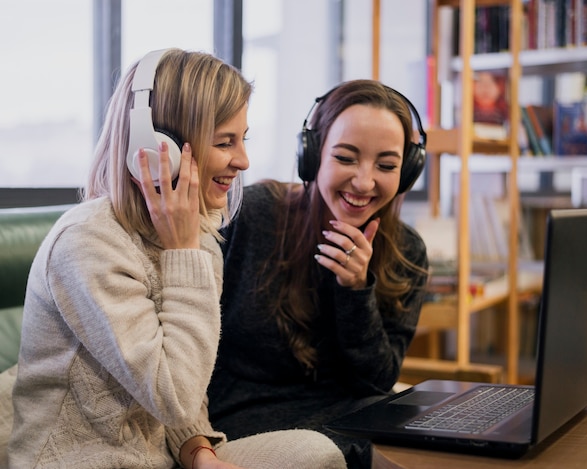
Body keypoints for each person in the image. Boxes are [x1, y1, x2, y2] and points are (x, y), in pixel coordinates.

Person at [8, 48, 346, 469]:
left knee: (318, 454)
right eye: (225, 142)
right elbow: (173, 394)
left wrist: (198, 449)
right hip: (81, 461)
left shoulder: (196, 236)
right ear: (154, 148)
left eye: (243, 139)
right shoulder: (88, 245)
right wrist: (184, 253)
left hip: (160, 458)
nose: (243, 160)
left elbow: (189, 385)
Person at [208, 79, 430, 468]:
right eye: (345, 158)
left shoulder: (406, 252)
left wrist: (356, 291)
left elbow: (377, 381)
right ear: (313, 156)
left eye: (387, 165)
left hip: (351, 410)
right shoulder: (253, 213)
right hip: (246, 413)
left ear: (407, 171)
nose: (364, 182)